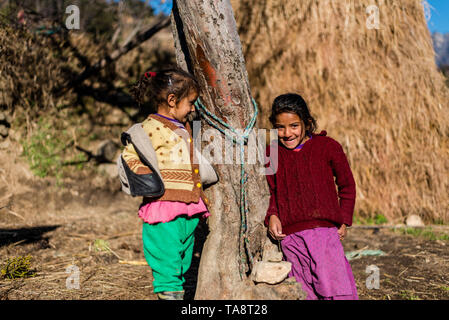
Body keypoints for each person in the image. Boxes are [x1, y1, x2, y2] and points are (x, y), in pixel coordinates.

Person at [123, 68, 210, 300]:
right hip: (163, 209)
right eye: (191, 103)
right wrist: (145, 175)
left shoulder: (185, 128)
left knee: (183, 257)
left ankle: (175, 291)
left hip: (188, 209)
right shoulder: (148, 129)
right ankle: (170, 294)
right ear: (172, 100)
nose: (193, 109)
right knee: (166, 261)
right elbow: (129, 155)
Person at [264, 93, 358, 300]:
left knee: (334, 286)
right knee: (303, 289)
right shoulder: (271, 153)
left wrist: (344, 219)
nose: (287, 133)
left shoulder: (328, 147)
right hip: (290, 237)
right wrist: (272, 215)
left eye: (294, 126)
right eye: (280, 127)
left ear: (307, 123)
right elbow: (270, 191)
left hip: (323, 234)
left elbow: (347, 186)